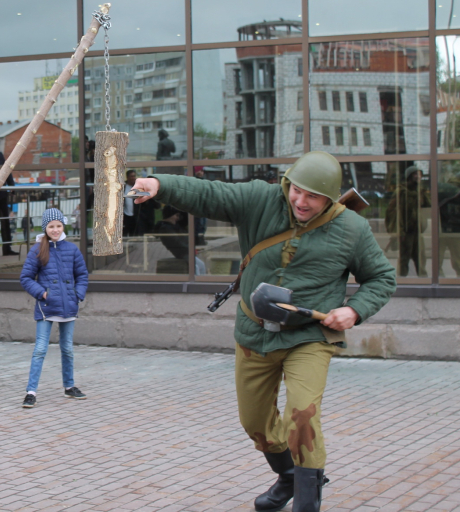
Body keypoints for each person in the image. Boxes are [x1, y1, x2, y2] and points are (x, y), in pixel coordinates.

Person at [131, 151, 396, 512]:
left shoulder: (352, 229)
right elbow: (210, 194)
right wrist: (159, 185)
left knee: (302, 415)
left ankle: (307, 500)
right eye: (296, 191)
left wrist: (354, 309)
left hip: (309, 336)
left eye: (312, 196)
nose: (300, 201)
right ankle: (288, 476)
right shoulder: (261, 199)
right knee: (255, 422)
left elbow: (382, 278)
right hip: (255, 333)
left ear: (330, 198)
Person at [19, 208, 88, 408]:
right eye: (51, 226)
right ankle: (31, 392)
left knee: (67, 349)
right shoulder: (37, 250)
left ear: (63, 226)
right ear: (45, 228)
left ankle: (69, 387)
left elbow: (82, 275)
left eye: (58, 226)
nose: (55, 230)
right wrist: (43, 293)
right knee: (40, 349)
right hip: (46, 307)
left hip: (69, 307)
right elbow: (25, 278)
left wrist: (77, 295)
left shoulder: (72, 249)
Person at [385, 165, 430, 277]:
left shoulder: (421, 192)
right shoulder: (401, 192)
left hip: (418, 231)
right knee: (404, 258)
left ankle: (423, 280)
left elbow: (429, 207)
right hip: (406, 231)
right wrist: (398, 231)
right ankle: (402, 280)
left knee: (421, 257)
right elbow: (393, 212)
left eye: (419, 174)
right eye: (415, 174)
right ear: (409, 177)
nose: (418, 177)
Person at [153, 205, 206, 275]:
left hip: (185, 251)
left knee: (201, 265)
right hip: (182, 252)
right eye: (176, 215)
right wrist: (188, 248)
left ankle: (200, 281)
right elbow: (177, 242)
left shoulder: (174, 226)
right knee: (195, 267)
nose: (177, 218)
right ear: (171, 215)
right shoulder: (166, 228)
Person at [123, 170, 137, 236]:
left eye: (134, 176)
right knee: (125, 233)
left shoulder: (137, 187)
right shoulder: (124, 187)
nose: (133, 178)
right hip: (126, 215)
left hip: (135, 216)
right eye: (131, 176)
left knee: (134, 234)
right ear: (127, 177)